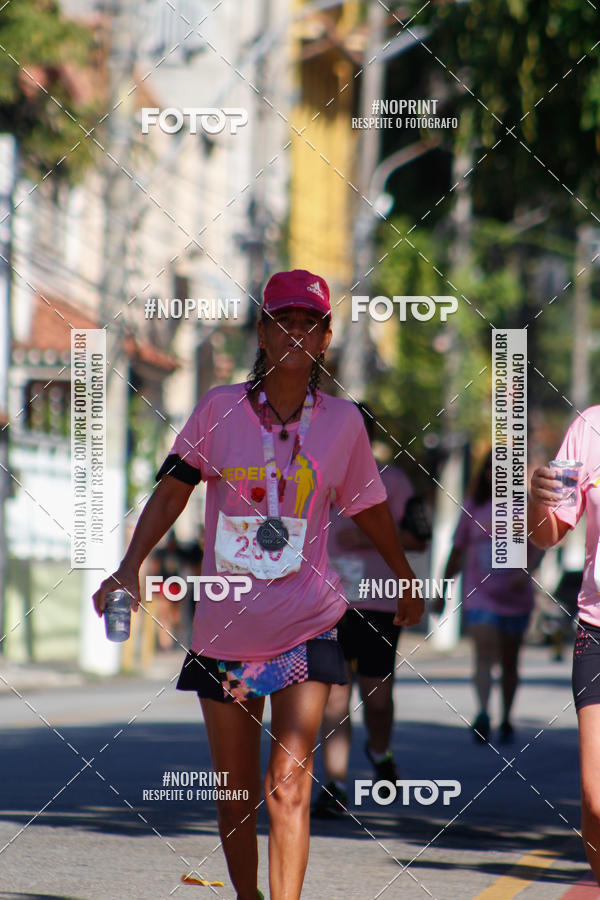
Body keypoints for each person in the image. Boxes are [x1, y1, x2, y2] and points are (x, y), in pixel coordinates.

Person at [92, 268, 424, 900]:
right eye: (283, 320)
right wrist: (130, 564)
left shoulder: (344, 423)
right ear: (263, 334)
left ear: (326, 338)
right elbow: (171, 493)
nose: (296, 332)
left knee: (288, 788)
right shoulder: (220, 409)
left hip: (308, 626)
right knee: (236, 796)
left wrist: (405, 577)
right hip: (226, 631)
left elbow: (370, 506)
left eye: (310, 322)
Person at [312, 403, 430, 818]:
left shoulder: (393, 481)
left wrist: (370, 536)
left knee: (377, 698)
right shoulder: (311, 473)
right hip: (327, 603)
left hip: (378, 601)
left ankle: (380, 751)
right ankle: (336, 784)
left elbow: (420, 536)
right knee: (333, 698)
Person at [528, 409, 600, 884]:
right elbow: (547, 533)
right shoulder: (590, 428)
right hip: (597, 630)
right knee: (595, 798)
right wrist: (536, 498)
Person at [436, 450, 541, 744]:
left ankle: (506, 717)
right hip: (479, 596)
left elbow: (543, 542)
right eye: (491, 470)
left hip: (516, 598)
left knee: (510, 661)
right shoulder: (473, 507)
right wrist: (441, 591)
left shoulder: (526, 507)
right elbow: (456, 551)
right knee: (484, 652)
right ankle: (483, 713)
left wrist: (528, 570)